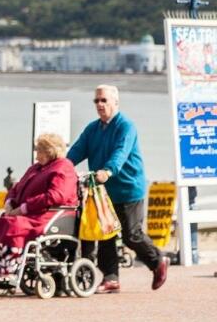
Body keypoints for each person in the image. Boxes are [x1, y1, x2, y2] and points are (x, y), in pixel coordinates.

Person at [67, 84, 168, 293]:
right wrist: (60, 168)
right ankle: (111, 277)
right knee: (106, 234)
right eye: (96, 101)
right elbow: (76, 151)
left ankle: (158, 260)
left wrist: (108, 170)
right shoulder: (92, 129)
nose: (100, 105)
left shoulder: (126, 126)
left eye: (104, 100)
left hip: (129, 188)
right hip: (103, 191)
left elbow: (120, 152)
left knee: (132, 235)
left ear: (115, 102)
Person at [0, 133, 78, 284]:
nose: (36, 156)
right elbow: (17, 187)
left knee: (14, 226)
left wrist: (24, 208)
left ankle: (6, 272)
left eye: (38, 151)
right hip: (29, 214)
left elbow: (57, 195)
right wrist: (9, 202)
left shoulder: (64, 167)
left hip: (48, 215)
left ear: (49, 151)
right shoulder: (36, 168)